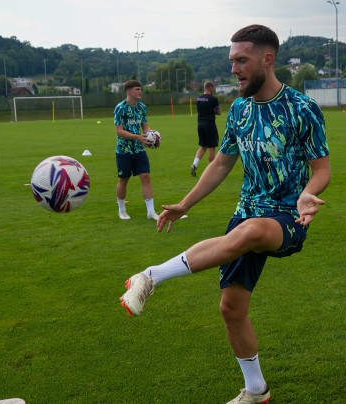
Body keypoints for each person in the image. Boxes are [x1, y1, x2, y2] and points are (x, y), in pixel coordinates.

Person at [120, 24, 330, 404]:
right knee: (231, 308)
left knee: (250, 232)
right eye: (231, 60)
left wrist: (307, 195)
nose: (233, 69)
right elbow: (220, 164)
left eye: (241, 60)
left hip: (287, 216)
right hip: (246, 212)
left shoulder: (302, 108)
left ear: (268, 59)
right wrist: (185, 203)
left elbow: (323, 169)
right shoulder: (240, 109)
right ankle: (256, 390)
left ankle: (150, 276)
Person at [114, 79, 160, 221]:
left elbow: (145, 126)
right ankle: (122, 210)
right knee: (124, 180)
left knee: (146, 177)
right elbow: (119, 131)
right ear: (128, 91)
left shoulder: (142, 107)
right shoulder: (120, 108)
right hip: (124, 150)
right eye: (137, 89)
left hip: (139, 149)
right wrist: (137, 137)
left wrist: (151, 137)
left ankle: (151, 212)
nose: (140, 92)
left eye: (141, 89)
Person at [190, 80, 222, 176]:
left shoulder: (199, 99)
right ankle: (211, 171)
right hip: (209, 125)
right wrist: (213, 110)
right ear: (210, 87)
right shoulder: (213, 99)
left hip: (200, 124)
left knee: (203, 147)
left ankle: (194, 164)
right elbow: (219, 112)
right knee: (211, 148)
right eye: (214, 88)